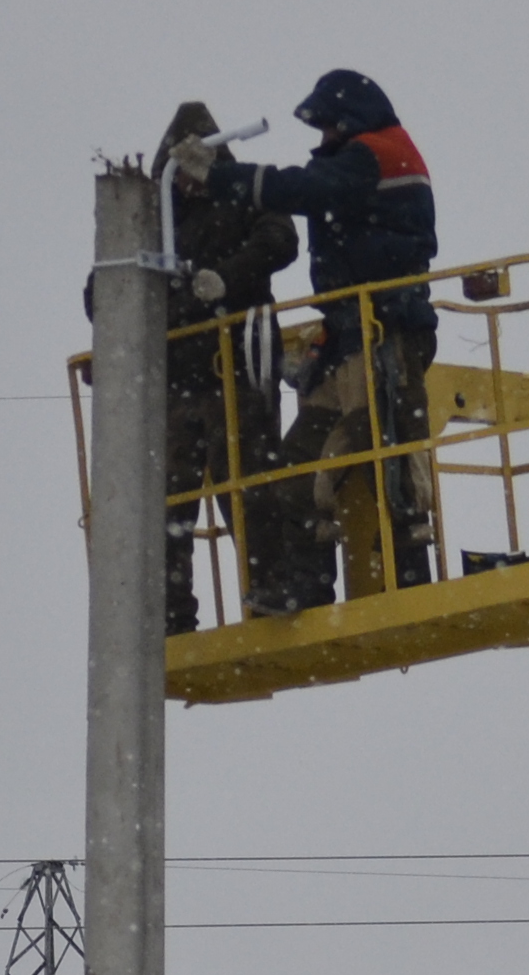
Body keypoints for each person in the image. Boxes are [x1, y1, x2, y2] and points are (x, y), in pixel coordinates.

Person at [188, 70, 440, 592]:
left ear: (347, 121)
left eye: (326, 127)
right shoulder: (365, 155)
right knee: (298, 468)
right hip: (350, 336)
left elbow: (306, 189)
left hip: (385, 332)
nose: (322, 138)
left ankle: (407, 574)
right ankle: (310, 587)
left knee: (389, 457)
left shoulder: (378, 152)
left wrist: (219, 178)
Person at [154, 102, 308, 624]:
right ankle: (171, 614)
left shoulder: (239, 195)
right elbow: (99, 289)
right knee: (168, 502)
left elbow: (282, 239)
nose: (192, 185)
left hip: (237, 367)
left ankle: (272, 587)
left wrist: (227, 276)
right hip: (174, 379)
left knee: (247, 483)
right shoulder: (151, 218)